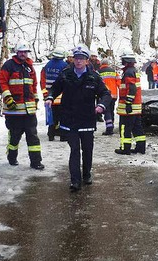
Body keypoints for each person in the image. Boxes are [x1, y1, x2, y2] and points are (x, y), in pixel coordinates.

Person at [46, 45, 111, 191]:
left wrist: (101, 105)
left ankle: (86, 174)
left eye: (82, 59)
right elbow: (55, 88)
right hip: (70, 120)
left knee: (87, 149)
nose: (79, 61)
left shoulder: (94, 77)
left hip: (87, 119)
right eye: (76, 58)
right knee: (74, 149)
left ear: (87, 61)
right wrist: (50, 97)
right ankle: (75, 180)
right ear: (73, 59)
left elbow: (105, 94)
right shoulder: (65, 74)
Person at [0, 44, 44, 169]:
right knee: (14, 137)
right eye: (21, 52)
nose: (23, 54)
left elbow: (33, 85)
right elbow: (1, 82)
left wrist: (36, 99)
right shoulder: (9, 65)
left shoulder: (30, 67)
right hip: (14, 111)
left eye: (25, 52)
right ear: (16, 52)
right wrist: (8, 98)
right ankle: (12, 157)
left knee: (33, 137)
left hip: (29, 111)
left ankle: (36, 162)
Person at [115, 50, 146, 155]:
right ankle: (140, 147)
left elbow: (131, 88)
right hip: (136, 106)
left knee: (125, 128)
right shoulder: (133, 70)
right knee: (137, 128)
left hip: (129, 107)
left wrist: (128, 103)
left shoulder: (128, 72)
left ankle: (125, 148)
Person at [40, 46, 69, 141]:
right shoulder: (65, 66)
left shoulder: (47, 65)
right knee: (63, 117)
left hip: (50, 97)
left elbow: (42, 81)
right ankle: (63, 136)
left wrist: (45, 94)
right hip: (62, 97)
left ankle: (51, 134)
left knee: (52, 117)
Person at [98, 58, 120, 135]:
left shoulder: (99, 72)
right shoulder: (114, 72)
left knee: (106, 111)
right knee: (111, 110)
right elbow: (119, 83)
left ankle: (109, 128)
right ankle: (112, 124)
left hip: (104, 95)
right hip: (114, 95)